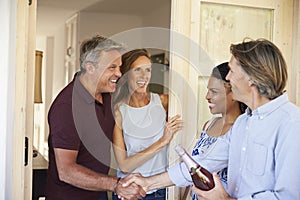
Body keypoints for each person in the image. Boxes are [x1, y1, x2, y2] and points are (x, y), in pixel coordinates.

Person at [192, 38, 300, 199]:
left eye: (232, 71)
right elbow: (206, 162)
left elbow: (288, 197)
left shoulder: (291, 123)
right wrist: (150, 182)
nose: (228, 78)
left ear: (251, 77)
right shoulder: (243, 123)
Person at [122, 62, 246, 199]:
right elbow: (191, 174)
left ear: (234, 92)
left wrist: (148, 183)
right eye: (208, 90)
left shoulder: (240, 131)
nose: (207, 96)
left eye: (214, 92)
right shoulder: (209, 125)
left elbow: (202, 166)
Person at [45, 35, 146, 200]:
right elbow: (66, 171)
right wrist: (115, 184)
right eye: (112, 67)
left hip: (98, 193)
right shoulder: (66, 107)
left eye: (119, 67)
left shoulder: (106, 93)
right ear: (90, 67)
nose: (119, 73)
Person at [112, 49, 183, 200]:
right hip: (129, 193)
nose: (144, 76)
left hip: (159, 192)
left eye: (148, 70)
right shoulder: (119, 112)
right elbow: (124, 165)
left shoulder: (163, 102)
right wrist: (163, 141)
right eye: (137, 70)